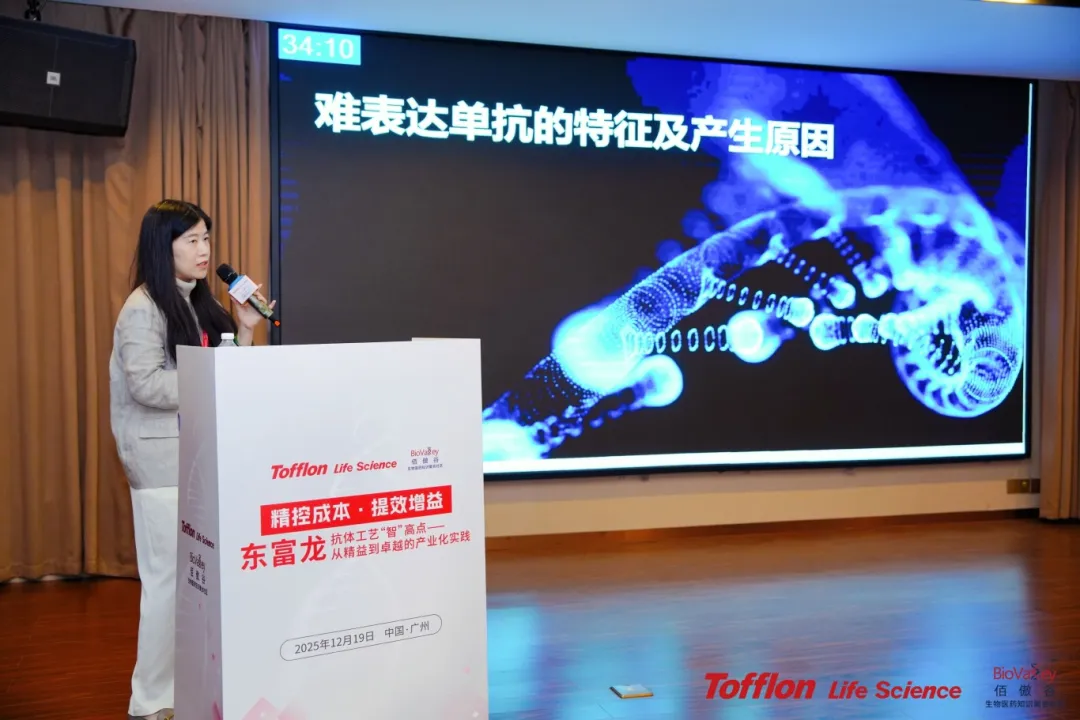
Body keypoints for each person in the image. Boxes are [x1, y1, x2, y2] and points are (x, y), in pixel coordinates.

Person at [109, 200, 274, 720]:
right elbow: (146, 384)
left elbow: (233, 380)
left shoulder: (199, 302)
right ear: (165, 246)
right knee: (166, 586)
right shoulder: (143, 307)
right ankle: (149, 701)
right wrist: (209, 375)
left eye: (206, 238)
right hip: (161, 464)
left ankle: (192, 689)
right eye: (192, 240)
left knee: (199, 584)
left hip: (202, 462)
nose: (204, 250)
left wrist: (245, 328)